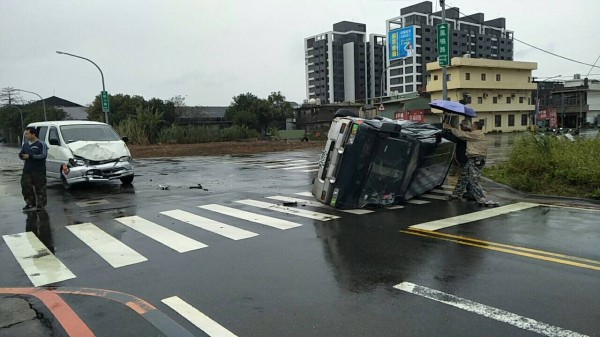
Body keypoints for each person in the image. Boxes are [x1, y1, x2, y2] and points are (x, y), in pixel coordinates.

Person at [443, 120, 497, 206]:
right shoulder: (478, 133)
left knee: (473, 179)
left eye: (472, 125)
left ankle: (481, 198)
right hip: (473, 159)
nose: (471, 127)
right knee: (464, 177)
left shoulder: (475, 134)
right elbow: (467, 130)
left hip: (476, 159)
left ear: (475, 127)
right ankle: (456, 195)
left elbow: (462, 134)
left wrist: (450, 128)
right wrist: (462, 126)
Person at [19, 126, 48, 211]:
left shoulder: (41, 144)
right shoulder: (26, 145)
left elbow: (43, 155)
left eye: (27, 134)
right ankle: (30, 203)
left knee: (40, 188)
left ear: (33, 134)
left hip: (38, 170)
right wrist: (21, 156)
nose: (26, 136)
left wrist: (30, 156)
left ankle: (40, 204)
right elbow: (21, 153)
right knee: (26, 187)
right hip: (27, 170)